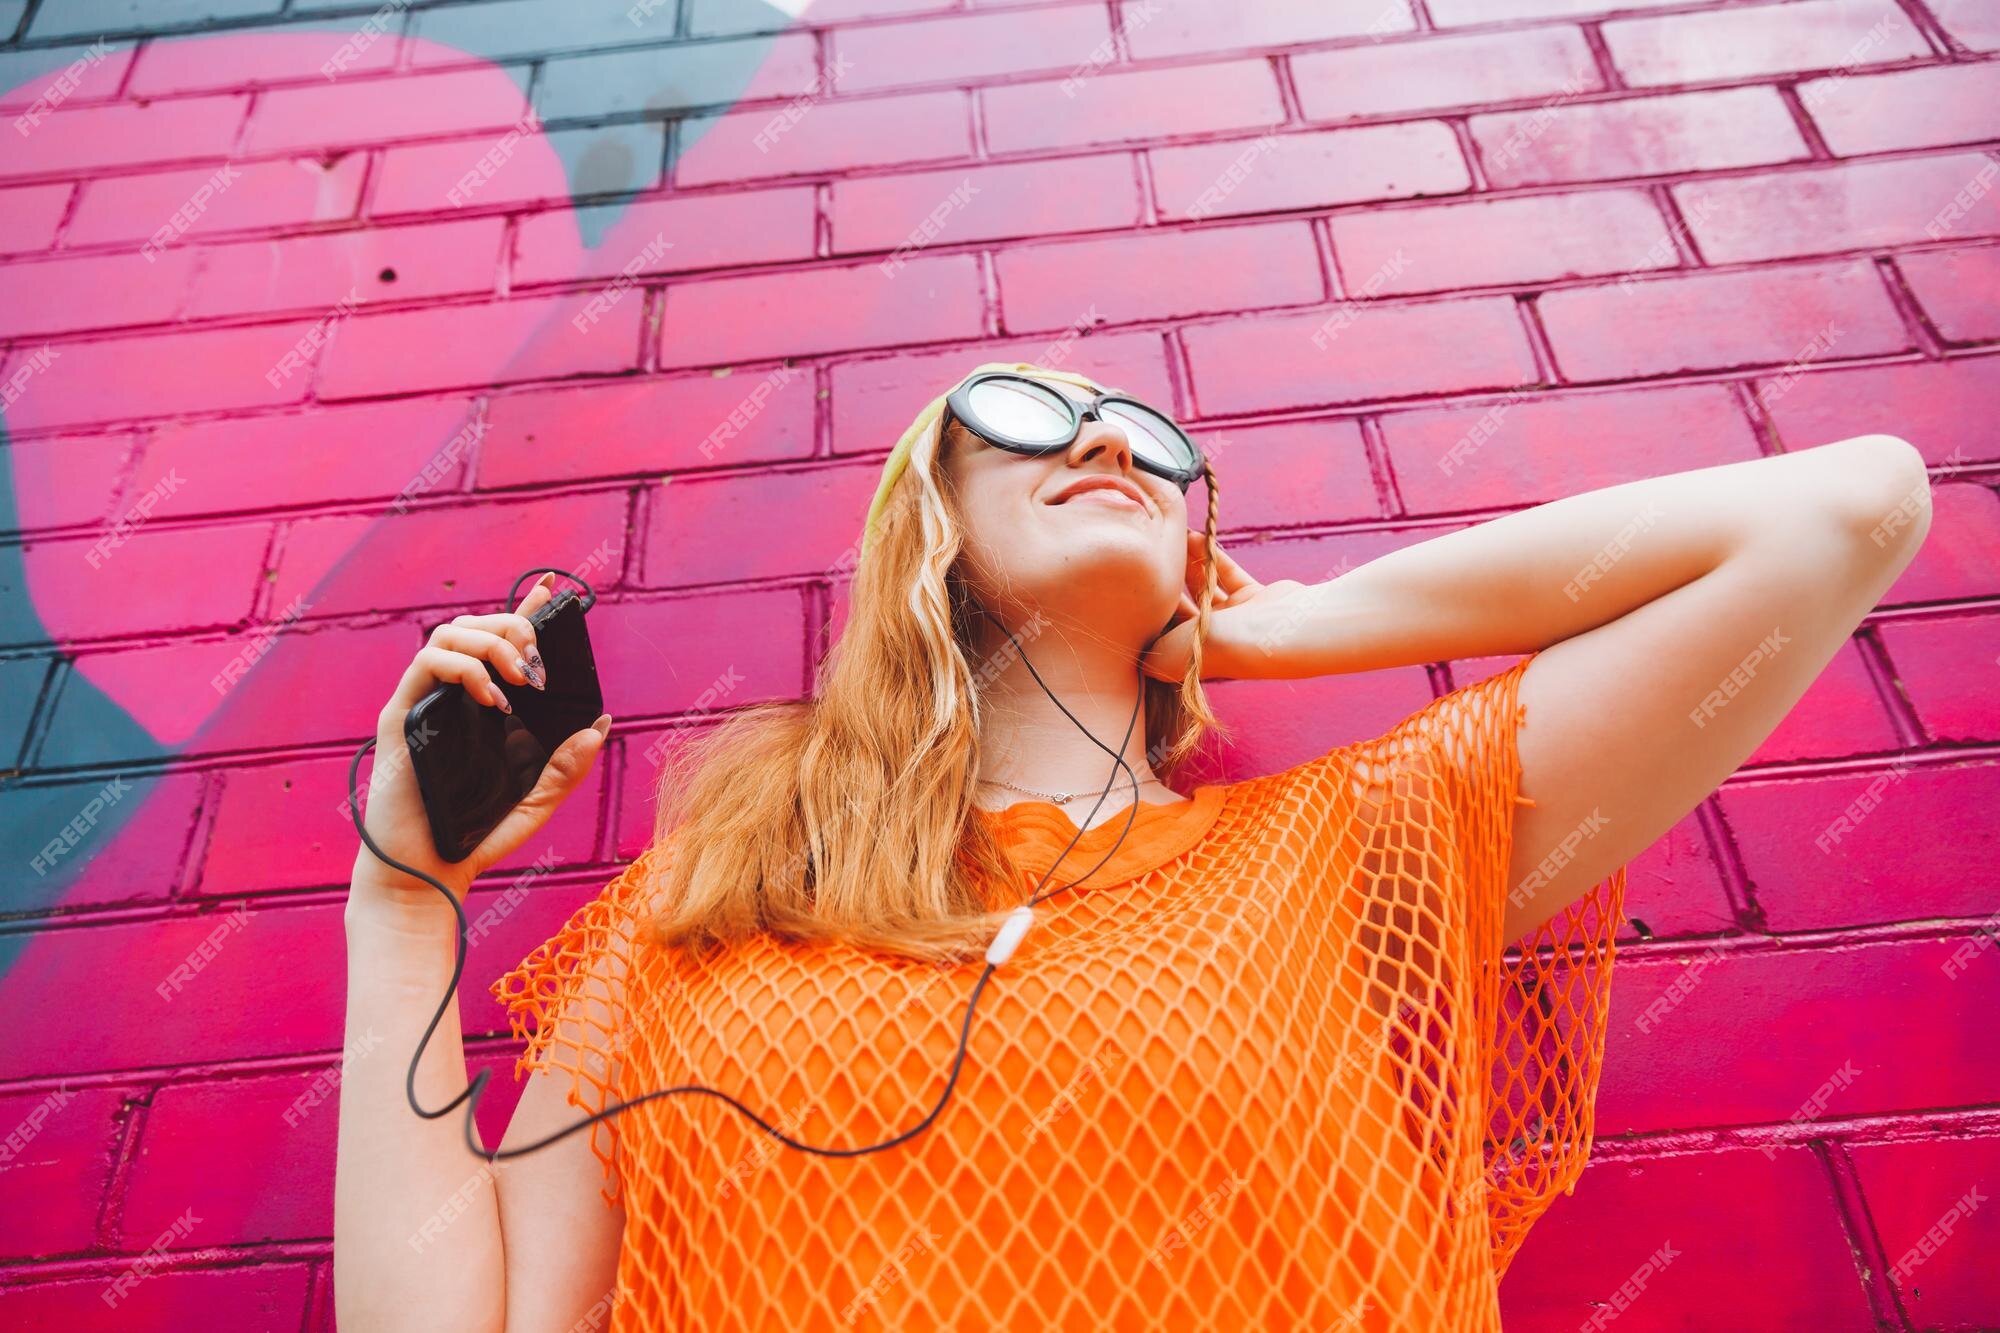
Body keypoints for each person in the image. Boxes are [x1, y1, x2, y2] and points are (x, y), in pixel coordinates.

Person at [335, 360, 1931, 1331]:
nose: (1100, 433)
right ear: (932, 517)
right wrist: (403, 907)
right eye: (1026, 412)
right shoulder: (704, 907)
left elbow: (1847, 510)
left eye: (1146, 434)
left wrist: (1290, 626)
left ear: (1196, 533)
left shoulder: (1354, 852)